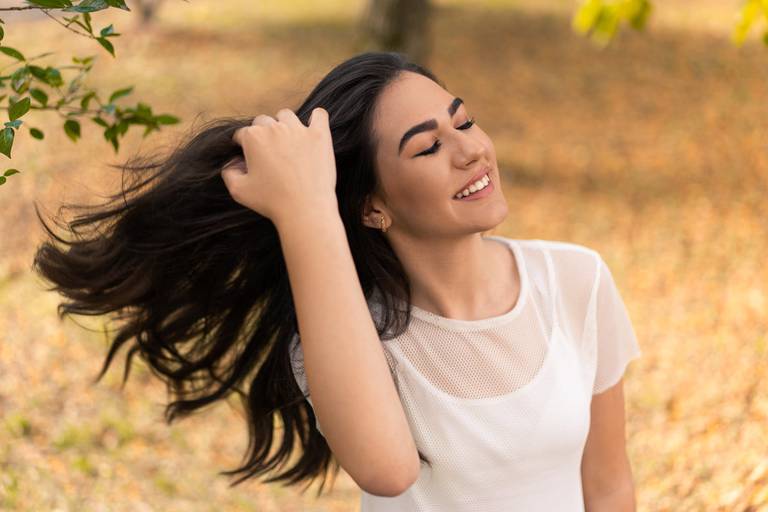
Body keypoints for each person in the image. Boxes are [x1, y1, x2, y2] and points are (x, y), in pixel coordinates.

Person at [32, 51, 642, 510]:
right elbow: (387, 469)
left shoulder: (576, 279)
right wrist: (306, 206)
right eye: (428, 148)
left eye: (465, 121)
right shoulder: (346, 340)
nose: (471, 151)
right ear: (372, 207)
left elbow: (608, 483)